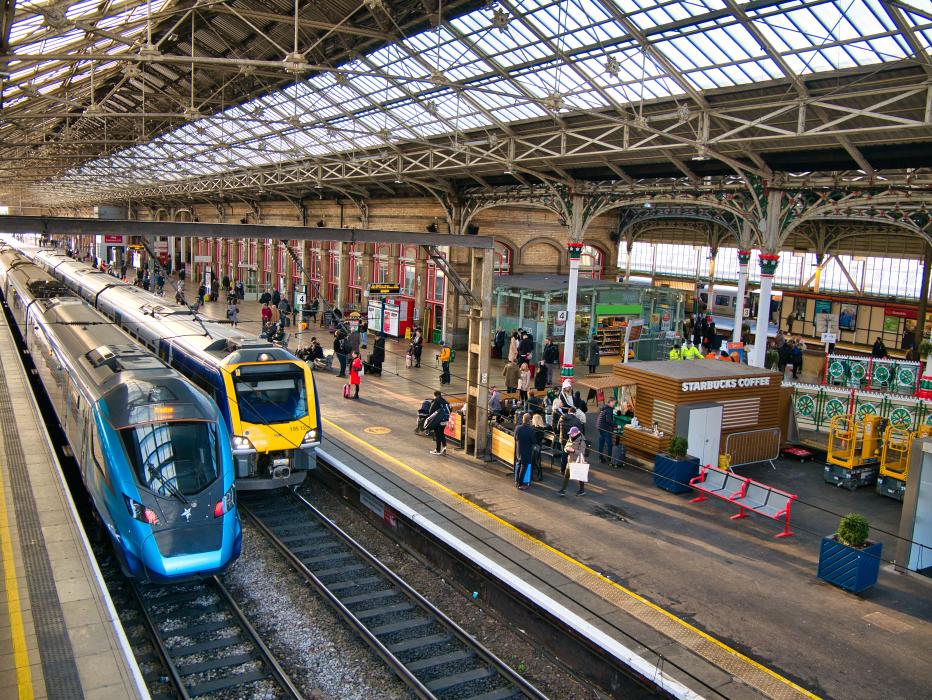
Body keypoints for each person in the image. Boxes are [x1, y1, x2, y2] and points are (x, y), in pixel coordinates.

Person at [558, 426, 587, 497]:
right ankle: (563, 490)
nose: (570, 435)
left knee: (580, 476)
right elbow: (566, 447)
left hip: (578, 461)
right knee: (566, 475)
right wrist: (566, 449)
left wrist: (573, 451)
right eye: (570, 434)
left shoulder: (582, 441)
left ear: (576, 433)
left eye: (572, 434)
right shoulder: (570, 438)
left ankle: (582, 490)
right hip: (570, 460)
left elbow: (582, 453)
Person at [514, 413, 537, 490]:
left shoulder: (517, 428)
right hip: (527, 452)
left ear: (523, 419)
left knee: (519, 465)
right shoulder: (531, 430)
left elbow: (515, 438)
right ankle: (520, 484)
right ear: (529, 420)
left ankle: (517, 481)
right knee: (523, 468)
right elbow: (533, 441)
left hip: (519, 451)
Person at [426, 391, 450, 455]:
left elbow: (431, 411)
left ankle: (438, 450)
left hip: (438, 421)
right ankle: (444, 447)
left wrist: (429, 419)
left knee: (437, 435)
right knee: (442, 433)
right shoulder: (445, 401)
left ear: (435, 395)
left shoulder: (436, 401)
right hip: (445, 420)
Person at [597, 399, 616, 464]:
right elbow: (609, 420)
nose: (614, 404)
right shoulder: (609, 409)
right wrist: (615, 425)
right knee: (609, 443)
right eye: (613, 402)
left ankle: (600, 457)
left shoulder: (604, 407)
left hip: (599, 426)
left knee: (601, 442)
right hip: (605, 428)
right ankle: (610, 457)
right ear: (610, 402)